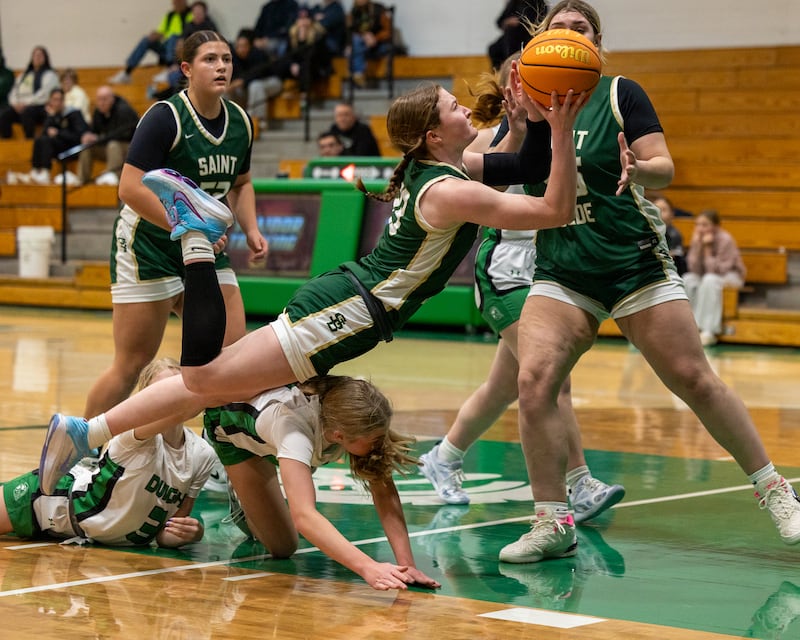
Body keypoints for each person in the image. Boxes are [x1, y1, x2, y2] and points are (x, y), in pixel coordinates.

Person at [39, 75, 585, 520]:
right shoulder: (449, 190)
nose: (465, 109)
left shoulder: (450, 169)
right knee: (204, 378)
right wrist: (561, 129)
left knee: (212, 384)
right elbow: (555, 209)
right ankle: (195, 238)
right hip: (347, 312)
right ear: (433, 135)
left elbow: (529, 168)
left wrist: (535, 121)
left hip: (346, 305)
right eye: (452, 106)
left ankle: (88, 432)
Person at [495, 0, 800, 565]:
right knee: (534, 383)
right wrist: (515, 130)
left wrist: (639, 168)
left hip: (631, 260)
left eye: (581, 28)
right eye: (560, 27)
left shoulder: (620, 93)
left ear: (596, 43)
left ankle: (776, 490)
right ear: (540, 40)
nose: (570, 34)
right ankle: (552, 521)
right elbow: (496, 170)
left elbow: (665, 164)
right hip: (563, 267)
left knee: (694, 379)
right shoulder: (529, 98)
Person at [418, 54, 624, 522]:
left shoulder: (564, 135)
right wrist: (514, 131)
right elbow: (499, 173)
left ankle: (444, 456)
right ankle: (579, 483)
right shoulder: (486, 138)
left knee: (503, 387)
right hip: (506, 268)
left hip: (546, 267)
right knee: (554, 379)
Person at [81, 30, 268, 421]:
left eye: (226, 59)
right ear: (187, 69)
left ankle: (222, 447)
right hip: (149, 245)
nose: (221, 66)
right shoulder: (164, 118)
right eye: (210, 59)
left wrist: (251, 229)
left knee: (233, 359)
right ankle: (80, 444)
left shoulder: (241, 122)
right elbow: (129, 187)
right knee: (132, 363)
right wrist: (189, 228)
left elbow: (242, 182)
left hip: (203, 247)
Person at [203, 374, 441, 591]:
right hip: (231, 429)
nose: (382, 444)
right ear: (339, 436)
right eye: (376, 439)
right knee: (282, 546)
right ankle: (239, 491)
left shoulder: (357, 408)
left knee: (284, 543)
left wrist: (407, 566)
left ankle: (256, 490)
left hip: (274, 433)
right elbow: (304, 516)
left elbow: (383, 491)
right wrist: (368, 567)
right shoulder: (293, 432)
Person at [1, 358, 215, 547]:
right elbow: (179, 411)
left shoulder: (202, 454)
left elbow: (166, 534)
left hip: (79, 535)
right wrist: (208, 392)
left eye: (175, 388)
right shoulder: (133, 434)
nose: (170, 397)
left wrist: (192, 534)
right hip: (49, 502)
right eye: (161, 391)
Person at [683, 209, 746, 346]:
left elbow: (718, 270)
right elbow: (694, 269)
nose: (700, 228)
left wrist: (707, 249)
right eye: (697, 225)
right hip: (708, 276)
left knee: (709, 280)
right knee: (688, 279)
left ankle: (708, 330)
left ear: (716, 226)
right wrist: (697, 247)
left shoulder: (726, 239)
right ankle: (690, 328)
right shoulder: (697, 239)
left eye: (705, 225)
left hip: (731, 276)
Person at [108, 0, 193, 84]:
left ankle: (170, 69)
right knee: (146, 40)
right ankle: (127, 72)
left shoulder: (190, 15)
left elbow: (191, 33)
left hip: (181, 49)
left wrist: (180, 39)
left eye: (179, 2)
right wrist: (154, 35)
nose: (176, 4)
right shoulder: (170, 15)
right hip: (166, 48)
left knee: (173, 37)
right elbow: (161, 31)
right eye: (174, 2)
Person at [77, 86, 139, 186]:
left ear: (112, 99)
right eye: (99, 99)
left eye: (104, 99)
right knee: (87, 147)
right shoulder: (98, 111)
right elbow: (94, 132)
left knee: (113, 145)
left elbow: (124, 134)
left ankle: (113, 179)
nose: (101, 103)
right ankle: (82, 180)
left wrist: (99, 138)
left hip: (130, 149)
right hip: (108, 146)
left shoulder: (124, 110)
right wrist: (88, 136)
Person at [27, 87, 89, 186]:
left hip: (72, 148)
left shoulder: (74, 114)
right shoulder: (53, 115)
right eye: (55, 100)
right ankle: (35, 170)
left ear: (64, 100)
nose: (58, 103)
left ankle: (45, 172)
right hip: (57, 148)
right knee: (39, 140)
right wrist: (51, 117)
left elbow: (79, 136)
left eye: (60, 99)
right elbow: (45, 132)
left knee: (47, 141)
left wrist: (59, 133)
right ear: (50, 101)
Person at [227, 28, 282, 130]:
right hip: (249, 86)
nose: (241, 49)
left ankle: (257, 121)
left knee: (255, 86)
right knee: (227, 89)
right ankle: (231, 121)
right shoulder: (233, 57)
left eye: (244, 46)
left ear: (250, 46)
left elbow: (258, 73)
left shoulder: (258, 54)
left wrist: (242, 81)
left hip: (272, 81)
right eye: (238, 46)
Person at [0, 45, 59, 139]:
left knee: (27, 112)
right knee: (4, 114)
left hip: (39, 108)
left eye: (40, 55)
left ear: (45, 58)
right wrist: (15, 103)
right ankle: (8, 141)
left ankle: (29, 141)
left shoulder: (50, 75)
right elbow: (14, 91)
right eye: (35, 55)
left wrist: (26, 103)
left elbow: (44, 95)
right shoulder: (24, 75)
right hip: (20, 106)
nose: (37, 57)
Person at [271, 6, 333, 93]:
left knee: (305, 65)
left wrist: (303, 39)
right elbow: (288, 55)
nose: (303, 22)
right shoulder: (293, 35)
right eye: (301, 19)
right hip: (297, 68)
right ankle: (279, 88)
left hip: (316, 68)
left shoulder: (318, 35)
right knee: (279, 63)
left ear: (311, 20)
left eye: (306, 18)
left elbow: (313, 56)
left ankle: (304, 95)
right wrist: (292, 64)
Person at [488, 0, 548, 70]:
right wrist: (507, 22)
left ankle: (513, 67)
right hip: (511, 35)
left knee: (512, 40)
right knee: (493, 48)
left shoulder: (539, 2)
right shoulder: (514, 2)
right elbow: (499, 21)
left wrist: (519, 22)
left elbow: (538, 22)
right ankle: (500, 71)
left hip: (529, 35)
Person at [346, 0, 393, 87]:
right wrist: (362, 37)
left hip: (380, 45)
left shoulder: (378, 9)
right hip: (363, 46)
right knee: (351, 48)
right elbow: (351, 32)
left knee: (353, 51)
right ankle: (358, 76)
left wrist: (375, 38)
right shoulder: (354, 11)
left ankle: (357, 75)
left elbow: (388, 31)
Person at [651, 193, 687, 275]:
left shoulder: (675, 235)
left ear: (671, 214)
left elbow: (673, 259)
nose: (659, 213)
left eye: (663, 210)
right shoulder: (645, 232)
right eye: (656, 209)